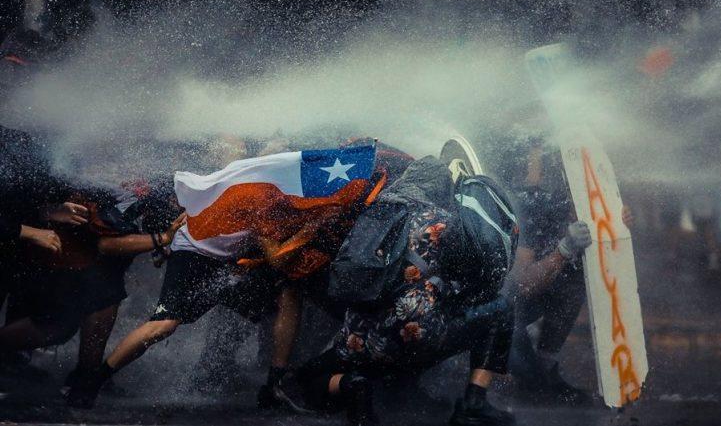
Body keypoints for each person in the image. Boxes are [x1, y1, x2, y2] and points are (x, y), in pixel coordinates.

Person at [66, 139, 392, 409]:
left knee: (288, 291)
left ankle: (274, 385)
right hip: (194, 255)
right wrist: (315, 225)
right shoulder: (262, 198)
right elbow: (276, 258)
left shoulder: (270, 190)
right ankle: (93, 380)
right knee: (164, 325)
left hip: (226, 262)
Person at [285, 157, 517, 426]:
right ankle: (473, 405)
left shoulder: (371, 214)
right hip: (416, 337)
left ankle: (352, 384)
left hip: (360, 338)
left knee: (304, 379)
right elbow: (472, 281)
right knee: (500, 309)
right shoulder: (443, 223)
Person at [0, 181, 187, 396]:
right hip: (62, 259)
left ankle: (85, 376)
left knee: (97, 301)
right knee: (58, 325)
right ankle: (85, 377)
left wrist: (160, 245)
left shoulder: (160, 197)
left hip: (81, 263)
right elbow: (105, 244)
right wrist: (161, 239)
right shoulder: (136, 191)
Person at [501, 135, 632, 405]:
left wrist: (615, 226)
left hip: (527, 302)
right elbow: (520, 285)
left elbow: (608, 268)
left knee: (575, 275)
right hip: (501, 310)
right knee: (530, 385)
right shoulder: (533, 207)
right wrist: (564, 249)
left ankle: (545, 364)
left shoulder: (577, 211)